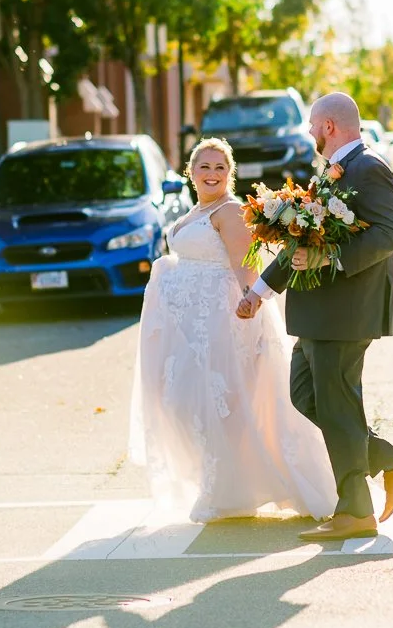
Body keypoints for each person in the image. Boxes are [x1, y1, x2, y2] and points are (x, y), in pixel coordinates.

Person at [236, 92, 393, 542]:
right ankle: (389, 461)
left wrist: (330, 259)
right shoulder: (331, 174)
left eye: (312, 125)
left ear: (329, 126)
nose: (308, 133)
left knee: (337, 406)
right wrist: (259, 291)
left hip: (346, 312)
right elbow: (302, 241)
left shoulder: (369, 168)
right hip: (320, 314)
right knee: (307, 397)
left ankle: (356, 509)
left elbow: (389, 233)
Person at [128, 138, 337, 523]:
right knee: (183, 404)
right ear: (190, 172)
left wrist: (250, 301)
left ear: (231, 173)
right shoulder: (193, 212)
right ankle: (230, 484)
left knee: (224, 407)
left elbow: (247, 267)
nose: (212, 174)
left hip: (223, 324)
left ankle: (230, 491)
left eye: (220, 168)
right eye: (204, 167)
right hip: (191, 330)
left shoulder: (230, 211)